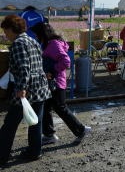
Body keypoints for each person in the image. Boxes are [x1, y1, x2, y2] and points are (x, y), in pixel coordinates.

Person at [0, 15, 51, 166]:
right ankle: (35, 152)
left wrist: (21, 88)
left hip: (26, 91)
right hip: (40, 88)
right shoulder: (32, 40)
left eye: (5, 30)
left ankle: (2, 155)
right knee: (35, 122)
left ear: (11, 29)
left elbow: (23, 67)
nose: (5, 34)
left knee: (10, 124)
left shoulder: (18, 43)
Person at [30, 23, 91, 145]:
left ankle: (81, 130)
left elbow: (66, 61)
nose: (36, 37)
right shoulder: (49, 44)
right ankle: (49, 135)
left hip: (56, 83)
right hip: (51, 83)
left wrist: (52, 70)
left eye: (37, 35)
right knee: (46, 108)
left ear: (43, 34)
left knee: (61, 108)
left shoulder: (53, 44)